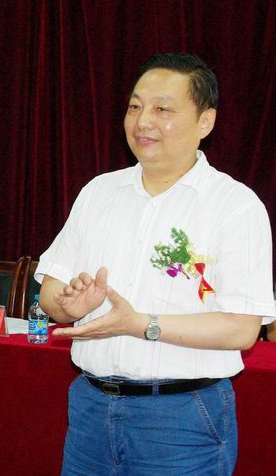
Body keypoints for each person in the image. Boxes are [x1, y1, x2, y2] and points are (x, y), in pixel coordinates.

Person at [36, 53, 275, 475]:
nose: (143, 121)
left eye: (162, 109)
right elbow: (51, 292)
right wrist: (68, 306)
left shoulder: (236, 206)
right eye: (135, 107)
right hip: (91, 407)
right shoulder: (99, 192)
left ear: (205, 122)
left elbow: (241, 329)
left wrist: (140, 324)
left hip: (181, 418)